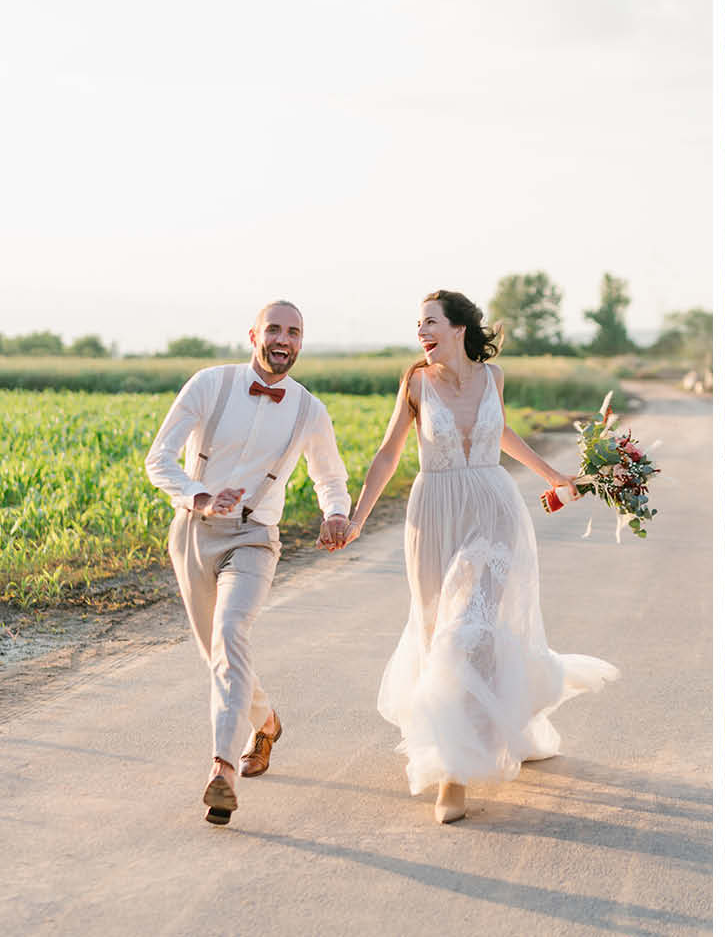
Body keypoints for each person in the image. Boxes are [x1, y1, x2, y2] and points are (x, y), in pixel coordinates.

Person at [342, 289, 619, 824]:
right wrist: (356, 519)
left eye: (430, 322)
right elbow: (388, 453)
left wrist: (556, 477)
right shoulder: (416, 383)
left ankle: (454, 771)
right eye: (417, 324)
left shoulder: (492, 378)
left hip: (494, 510)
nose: (421, 332)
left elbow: (502, 433)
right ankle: (483, 729)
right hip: (434, 514)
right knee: (435, 632)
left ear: (458, 328)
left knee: (470, 630)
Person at [145, 300, 352, 825]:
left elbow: (330, 478)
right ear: (254, 335)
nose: (284, 340)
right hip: (192, 532)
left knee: (232, 632)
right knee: (217, 653)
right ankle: (266, 723)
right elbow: (159, 459)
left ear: (301, 343)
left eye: (295, 332)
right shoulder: (209, 385)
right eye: (275, 330)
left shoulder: (309, 410)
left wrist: (334, 514)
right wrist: (198, 497)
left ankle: (222, 771)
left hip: (255, 537)